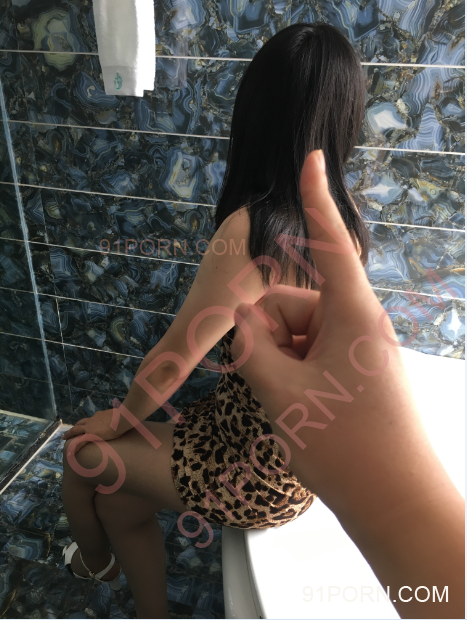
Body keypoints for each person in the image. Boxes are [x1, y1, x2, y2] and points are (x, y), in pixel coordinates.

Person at [62, 23, 372, 619]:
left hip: (248, 465)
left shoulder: (256, 232)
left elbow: (174, 360)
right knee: (120, 504)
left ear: (256, 111)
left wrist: (119, 419)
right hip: (292, 461)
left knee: (79, 457)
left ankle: (93, 566)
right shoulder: (345, 221)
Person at [231, 150, 465, 619]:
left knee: (99, 476)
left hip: (253, 478)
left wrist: (384, 492)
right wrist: (388, 497)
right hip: (296, 489)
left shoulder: (245, 228)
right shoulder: (351, 230)